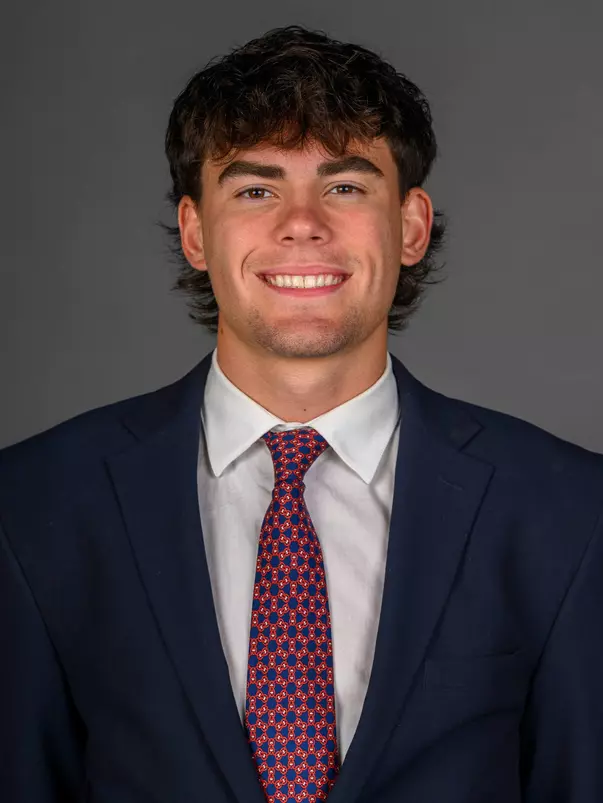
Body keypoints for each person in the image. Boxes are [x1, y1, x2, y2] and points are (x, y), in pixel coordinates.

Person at [0, 23, 602, 803]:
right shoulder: (33, 504)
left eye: (346, 186)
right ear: (194, 232)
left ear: (411, 226)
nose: (302, 223)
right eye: (256, 189)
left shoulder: (568, 511)